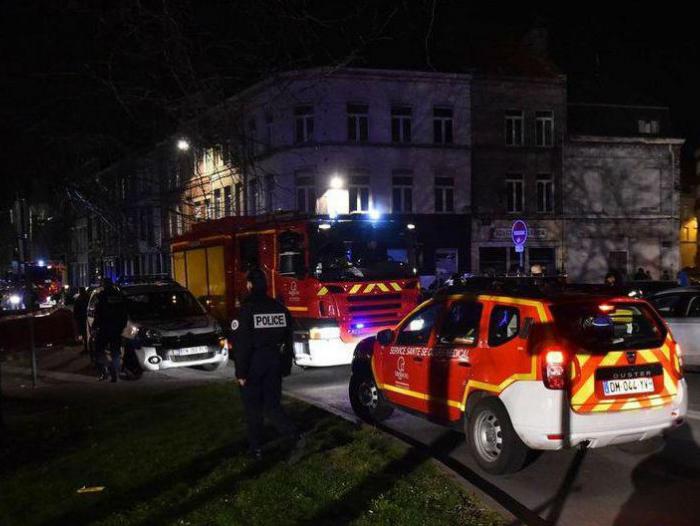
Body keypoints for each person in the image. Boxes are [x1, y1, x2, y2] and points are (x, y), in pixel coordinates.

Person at [231, 269, 300, 460]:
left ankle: (256, 449)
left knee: (253, 409)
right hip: (274, 362)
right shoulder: (279, 308)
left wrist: (241, 373)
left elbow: (242, 344)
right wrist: (285, 366)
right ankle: (293, 434)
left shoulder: (247, 310)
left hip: (254, 364)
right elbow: (288, 341)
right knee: (272, 405)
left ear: (249, 285)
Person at [92, 278, 128, 382]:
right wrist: (122, 327)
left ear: (104, 285)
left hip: (104, 327)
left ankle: (105, 370)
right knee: (115, 352)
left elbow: (98, 313)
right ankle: (115, 372)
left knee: (98, 350)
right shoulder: (119, 295)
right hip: (116, 328)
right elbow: (124, 313)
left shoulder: (102, 296)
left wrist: (95, 326)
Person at [73, 287, 90, 354]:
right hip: (88, 318)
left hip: (82, 319)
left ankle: (86, 348)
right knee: (87, 333)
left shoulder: (79, 299)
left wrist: (75, 318)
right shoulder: (88, 298)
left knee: (84, 334)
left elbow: (75, 310)